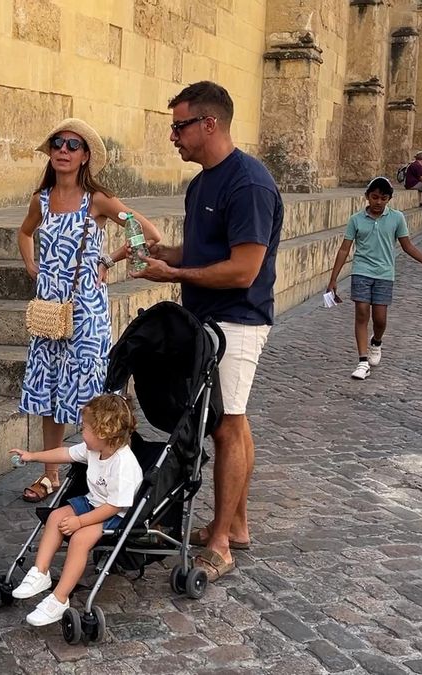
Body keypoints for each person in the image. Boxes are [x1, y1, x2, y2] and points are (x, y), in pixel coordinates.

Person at [131, 81, 282, 580]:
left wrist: (172, 275)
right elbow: (200, 254)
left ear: (209, 124)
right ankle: (234, 524)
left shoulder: (250, 185)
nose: (173, 137)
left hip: (236, 320)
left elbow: (243, 270)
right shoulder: (201, 183)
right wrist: (158, 257)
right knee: (227, 420)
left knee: (227, 424)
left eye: (179, 126)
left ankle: (221, 542)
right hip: (203, 318)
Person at [16, 118, 162, 504]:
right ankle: (49, 475)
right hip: (50, 306)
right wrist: (33, 266)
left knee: (88, 391)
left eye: (73, 145)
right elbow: (24, 232)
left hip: (86, 309)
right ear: (51, 153)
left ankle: (96, 473)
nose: (63, 150)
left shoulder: (95, 200)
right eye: (58, 144)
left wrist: (110, 260)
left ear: (85, 157)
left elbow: (146, 231)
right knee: (50, 390)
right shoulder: (41, 200)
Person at [7, 394, 142, 626]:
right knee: (57, 515)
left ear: (102, 432)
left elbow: (114, 506)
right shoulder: (94, 448)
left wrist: (80, 522)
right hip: (94, 502)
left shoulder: (123, 464)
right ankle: (40, 572)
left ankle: (59, 599)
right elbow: (64, 453)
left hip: (115, 515)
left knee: (80, 538)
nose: (81, 431)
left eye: (85, 428)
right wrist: (32, 456)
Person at [326, 177, 422, 380]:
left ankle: (377, 341)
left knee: (380, 319)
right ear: (367, 197)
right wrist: (333, 279)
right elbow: (344, 249)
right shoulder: (356, 219)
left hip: (384, 274)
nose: (378, 202)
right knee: (362, 312)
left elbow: (408, 246)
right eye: (374, 197)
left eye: (383, 198)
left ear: (389, 199)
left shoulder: (397, 218)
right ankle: (362, 361)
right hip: (361, 271)